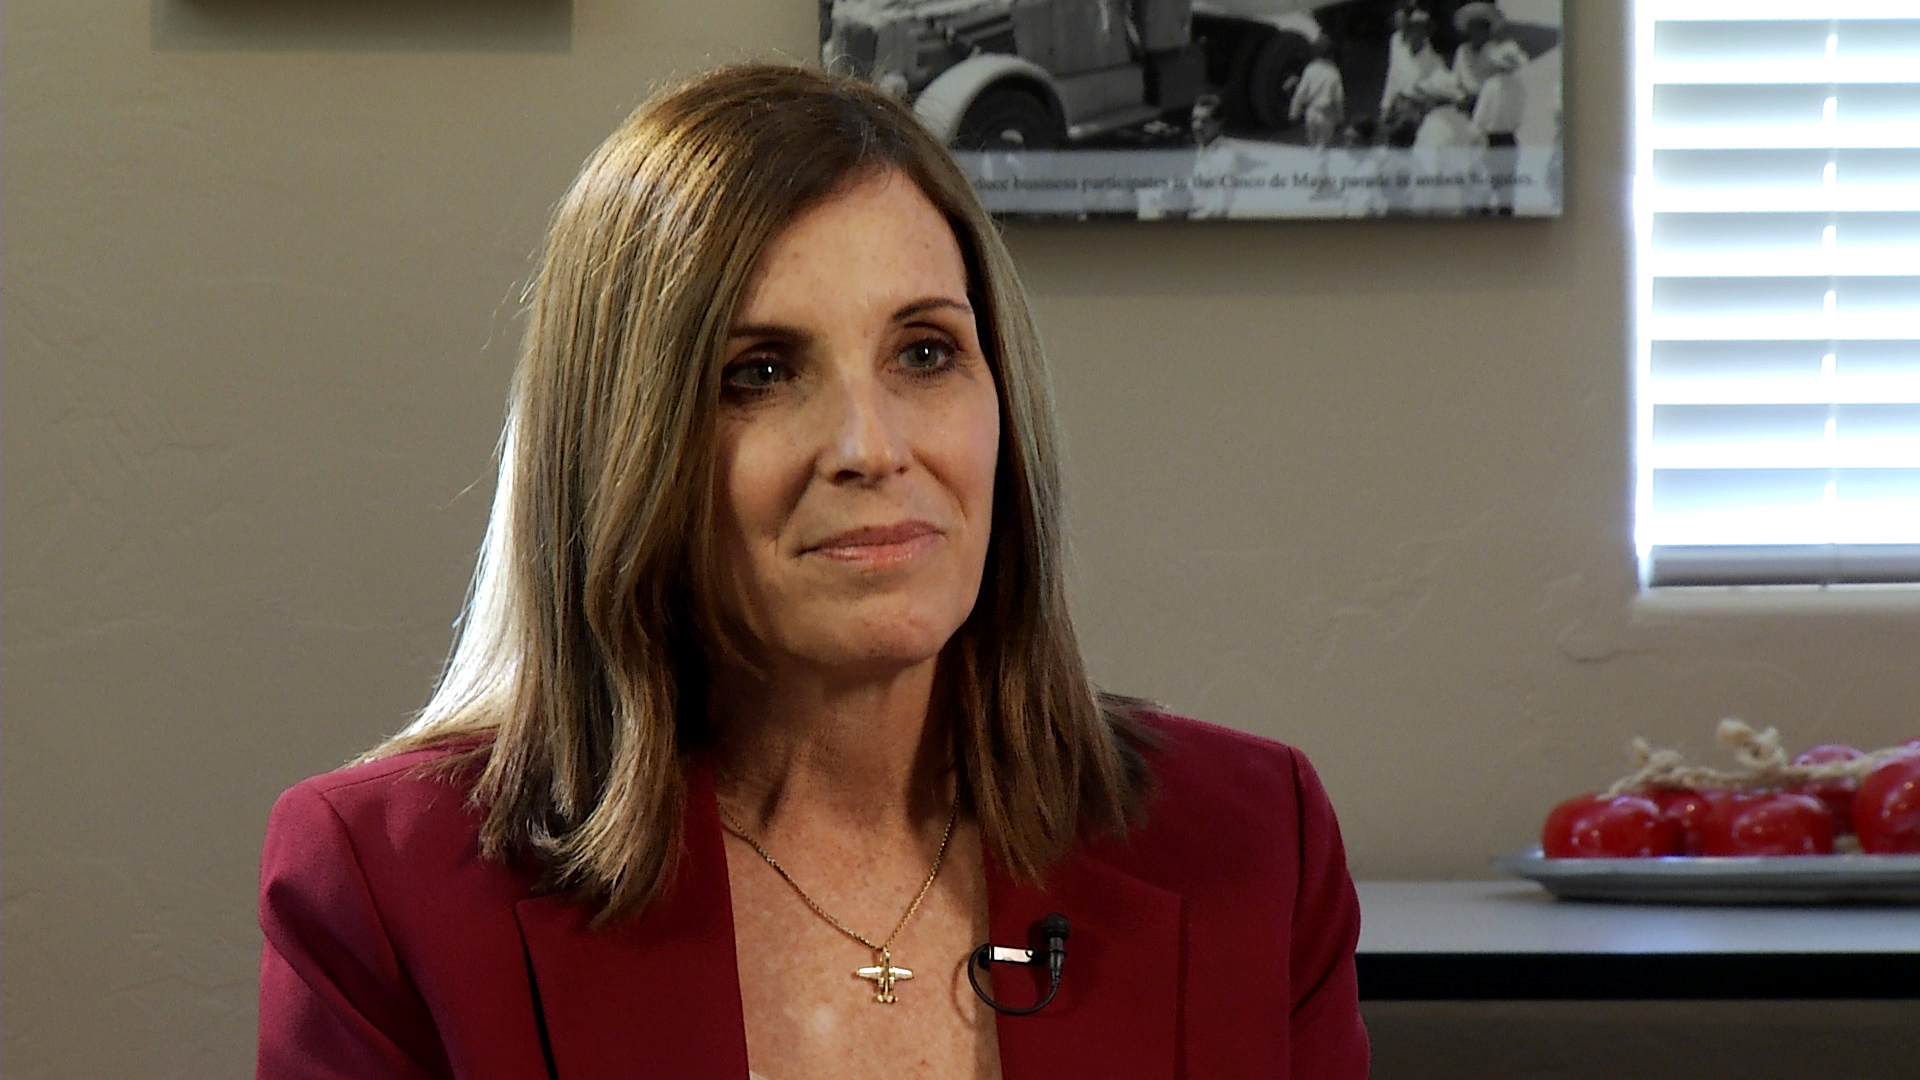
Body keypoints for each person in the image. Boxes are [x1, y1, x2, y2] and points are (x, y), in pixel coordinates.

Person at [256, 63, 1369, 1080]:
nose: (873, 448)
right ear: (623, 443)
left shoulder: (1256, 843)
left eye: (925, 352)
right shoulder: (381, 890)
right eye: (761, 372)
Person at [1288, 35, 1347, 150]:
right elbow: (1338, 99)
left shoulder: (1310, 69)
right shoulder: (1334, 73)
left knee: (1312, 144)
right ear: (1332, 55)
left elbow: (1301, 92)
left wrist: (1294, 111)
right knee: (1323, 147)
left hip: (1311, 113)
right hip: (1327, 115)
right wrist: (1340, 118)